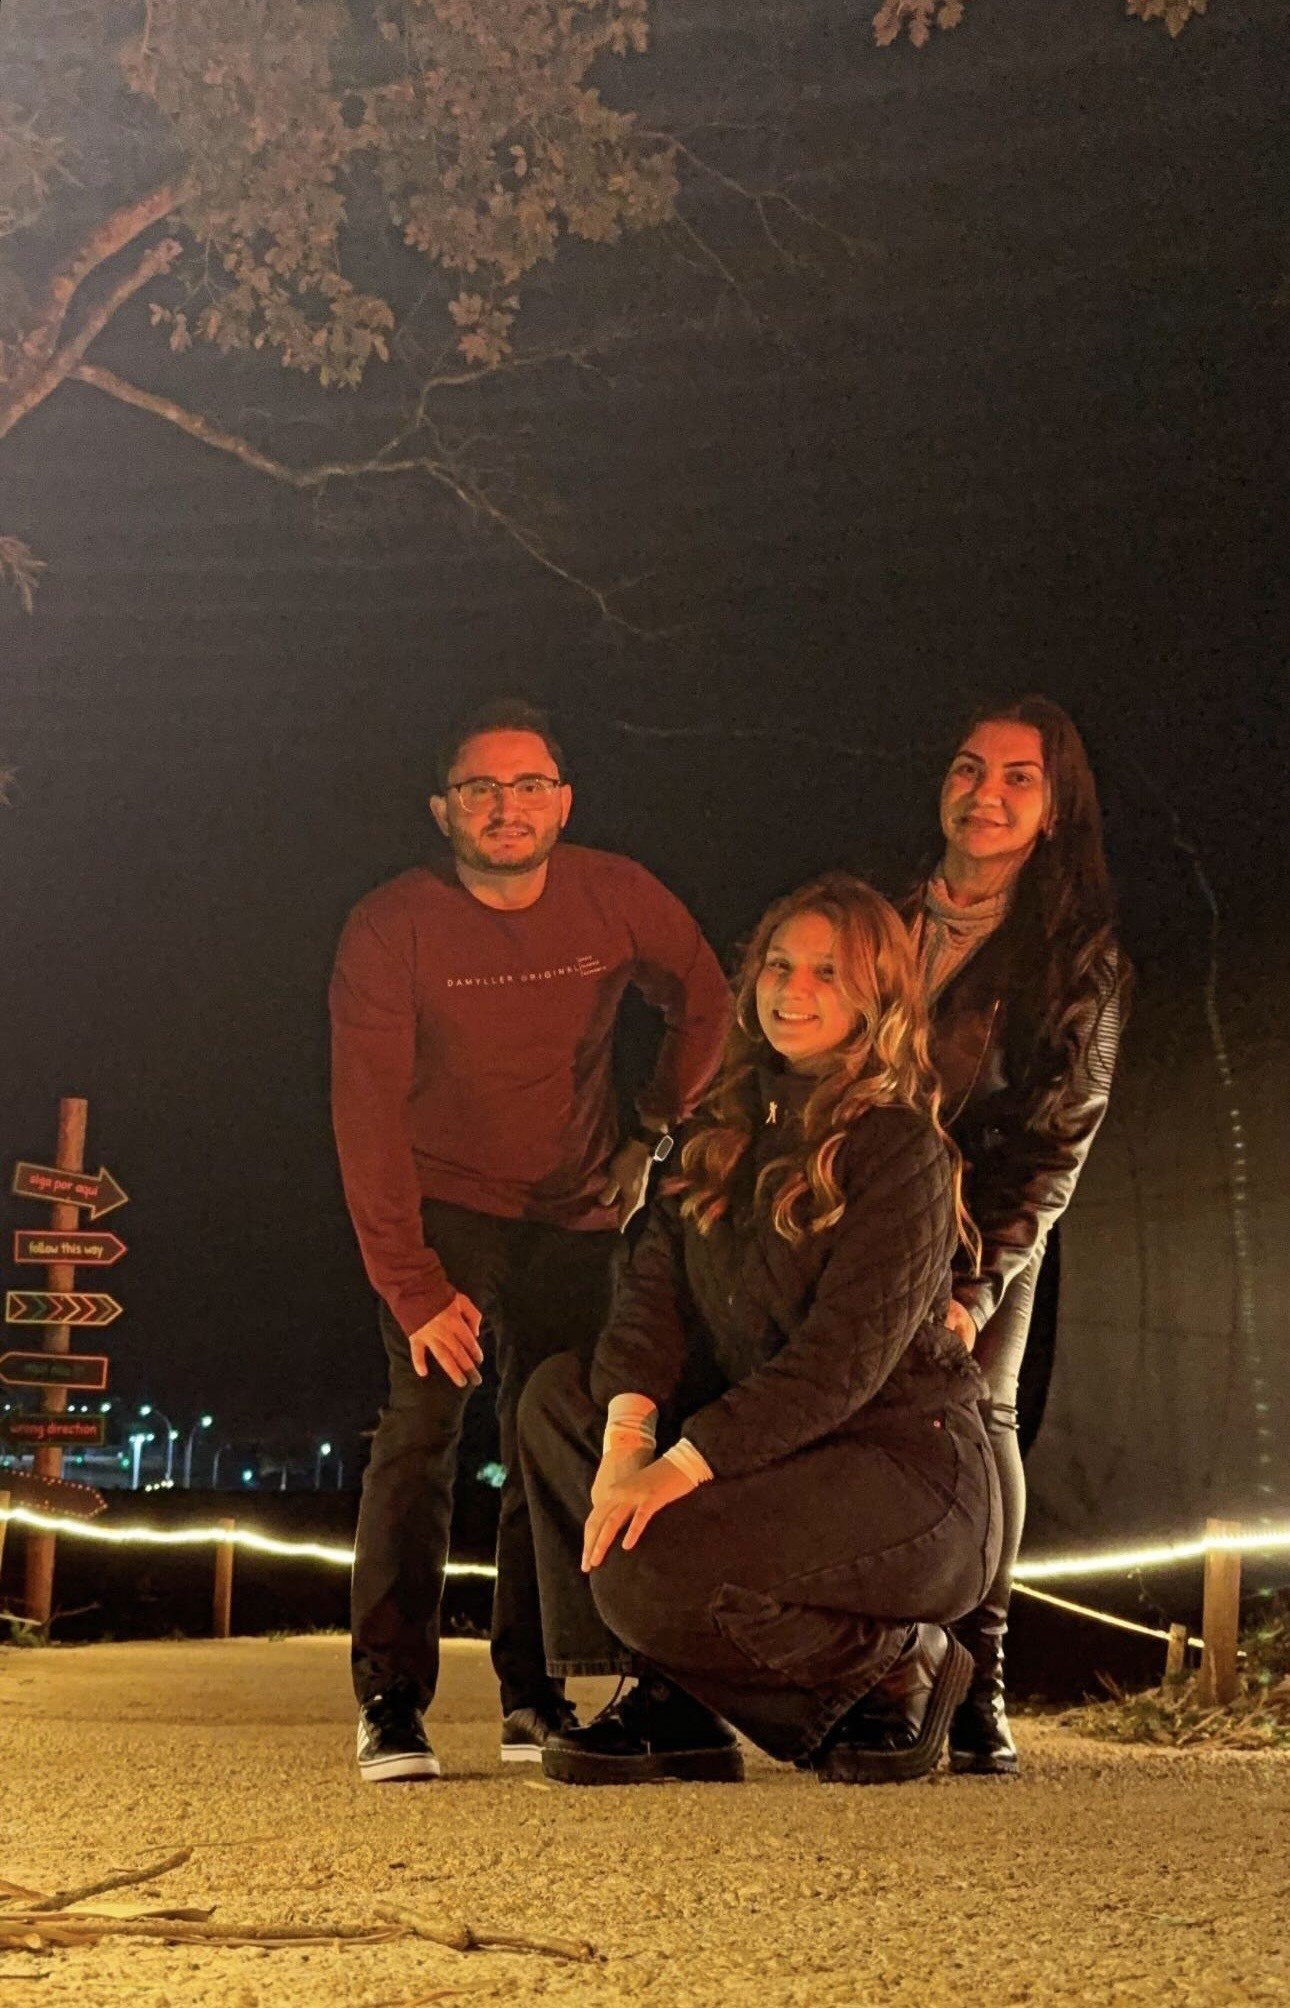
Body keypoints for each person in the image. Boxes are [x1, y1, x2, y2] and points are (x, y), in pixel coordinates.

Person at [518, 874, 1001, 1787]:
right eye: (780, 964)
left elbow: (837, 1369)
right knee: (557, 1401)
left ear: (878, 999)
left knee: (641, 1566)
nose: (793, 989)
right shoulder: (718, 1125)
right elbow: (649, 1299)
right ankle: (668, 1698)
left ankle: (892, 1667)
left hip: (903, 1472)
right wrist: (626, 1445)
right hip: (770, 1455)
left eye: (828, 972)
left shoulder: (900, 1149)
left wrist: (677, 1468)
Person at [330, 698, 730, 1782]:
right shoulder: (391, 926)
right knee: (421, 1427)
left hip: (575, 1204)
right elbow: (365, 1113)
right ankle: (391, 1698)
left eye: (528, 786)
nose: (506, 807)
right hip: (443, 1207)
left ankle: (536, 1688)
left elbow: (707, 997)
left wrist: (652, 1127)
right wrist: (412, 1283)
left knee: (550, 1425)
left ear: (563, 802)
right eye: (480, 789)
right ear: (442, 810)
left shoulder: (616, 892)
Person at [908, 696, 1127, 1776]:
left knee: (980, 1412)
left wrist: (979, 1281)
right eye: (968, 768)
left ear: (1055, 809)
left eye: (1017, 777)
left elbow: (1057, 1140)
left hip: (981, 1215)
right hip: (856, 1206)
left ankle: (978, 1677)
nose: (984, 793)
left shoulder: (1075, 957)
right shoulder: (879, 914)